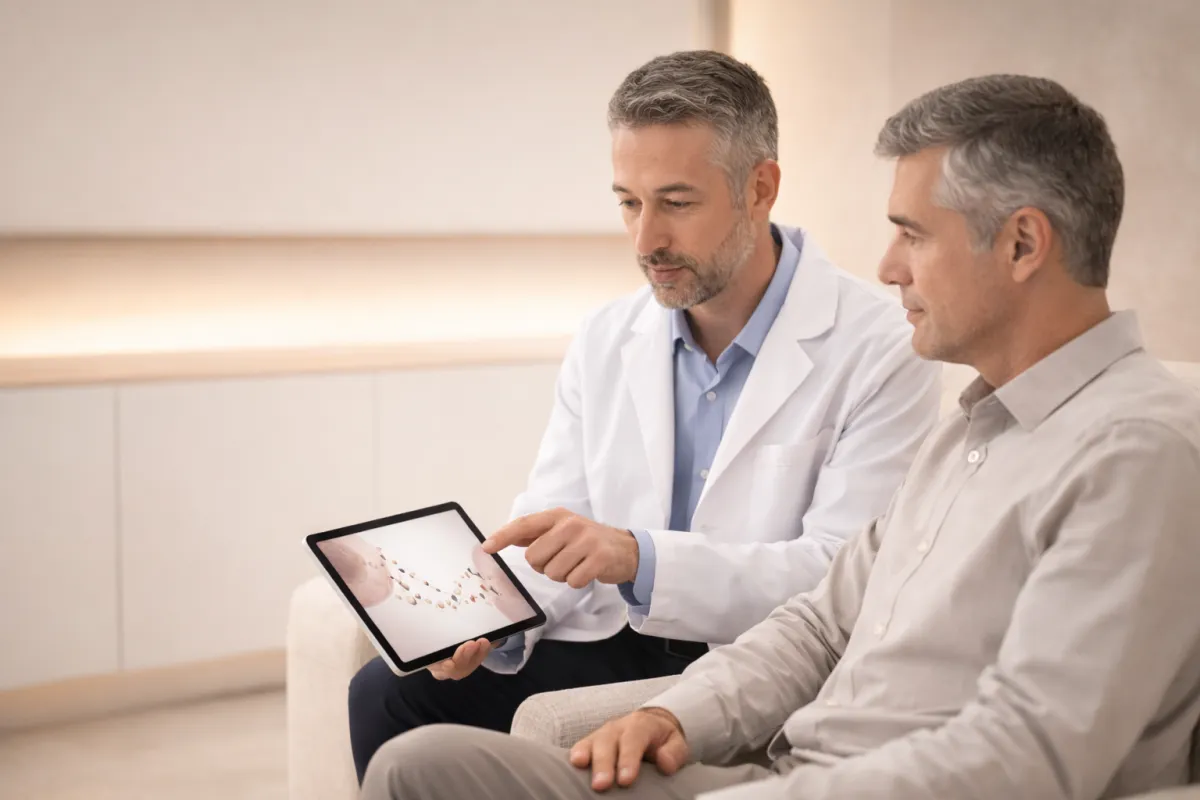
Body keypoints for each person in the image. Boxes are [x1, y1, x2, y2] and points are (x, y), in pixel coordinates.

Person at [357, 73, 1200, 800]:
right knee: (418, 759)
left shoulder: (1135, 454)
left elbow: (1029, 751)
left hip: (820, 785)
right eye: (629, 204)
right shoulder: (977, 429)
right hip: (784, 766)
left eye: (913, 234)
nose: (888, 266)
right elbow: (821, 625)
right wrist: (666, 713)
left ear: (1021, 243)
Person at [347, 50, 940, 783]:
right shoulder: (607, 336)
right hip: (618, 635)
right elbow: (557, 525)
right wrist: (491, 625)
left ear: (761, 188)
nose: (645, 239)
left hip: (752, 654)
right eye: (629, 201)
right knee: (387, 692)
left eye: (676, 202)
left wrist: (640, 556)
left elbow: (839, 578)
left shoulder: (882, 347)